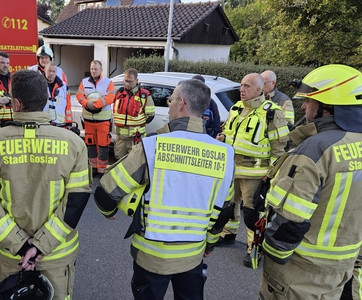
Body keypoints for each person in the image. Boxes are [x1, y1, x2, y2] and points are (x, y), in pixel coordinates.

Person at [95, 79, 235, 300]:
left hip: (152, 256)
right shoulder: (226, 154)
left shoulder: (153, 146)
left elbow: (106, 190)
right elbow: (225, 209)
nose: (169, 105)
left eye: (171, 100)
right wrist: (210, 242)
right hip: (193, 255)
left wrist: (108, 211)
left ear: (182, 102)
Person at [0, 70, 91, 300]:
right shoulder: (74, 144)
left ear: (16, 102)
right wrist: (41, 245)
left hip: (13, 255)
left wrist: (23, 246)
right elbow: (75, 202)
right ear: (45, 100)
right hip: (57, 253)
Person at [258, 64, 362, 299]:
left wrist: (273, 256)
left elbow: (291, 218)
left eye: (309, 101)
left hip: (301, 271)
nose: (304, 106)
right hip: (345, 265)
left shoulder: (316, 148)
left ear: (327, 107)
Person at [214, 73, 289, 268]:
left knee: (252, 214)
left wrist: (270, 176)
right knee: (230, 206)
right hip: (232, 169)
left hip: (256, 174)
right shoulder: (236, 108)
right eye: (241, 85)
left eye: (247, 86)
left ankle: (253, 248)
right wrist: (222, 137)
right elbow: (229, 132)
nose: (242, 89)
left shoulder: (272, 112)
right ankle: (228, 234)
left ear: (259, 90)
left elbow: (279, 149)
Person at [76, 60, 115, 175]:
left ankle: (101, 170)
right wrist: (86, 103)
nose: (93, 71)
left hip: (103, 120)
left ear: (101, 70)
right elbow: (79, 95)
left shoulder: (108, 82)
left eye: (96, 69)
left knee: (103, 144)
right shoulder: (84, 82)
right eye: (92, 69)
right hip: (88, 119)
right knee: (90, 144)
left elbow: (111, 97)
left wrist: (96, 104)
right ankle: (93, 167)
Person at [113, 68, 155, 159]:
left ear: (136, 80)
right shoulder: (119, 93)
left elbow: (150, 116)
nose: (127, 84)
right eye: (126, 81)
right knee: (119, 161)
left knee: (135, 162)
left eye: (130, 81)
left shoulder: (144, 95)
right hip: (121, 137)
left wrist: (137, 126)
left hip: (135, 137)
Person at [44, 61, 72, 127]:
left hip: (60, 124)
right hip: (44, 124)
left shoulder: (63, 86)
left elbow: (68, 105)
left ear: (56, 72)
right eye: (49, 71)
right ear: (45, 70)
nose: (51, 73)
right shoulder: (38, 85)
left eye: (53, 71)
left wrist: (69, 122)